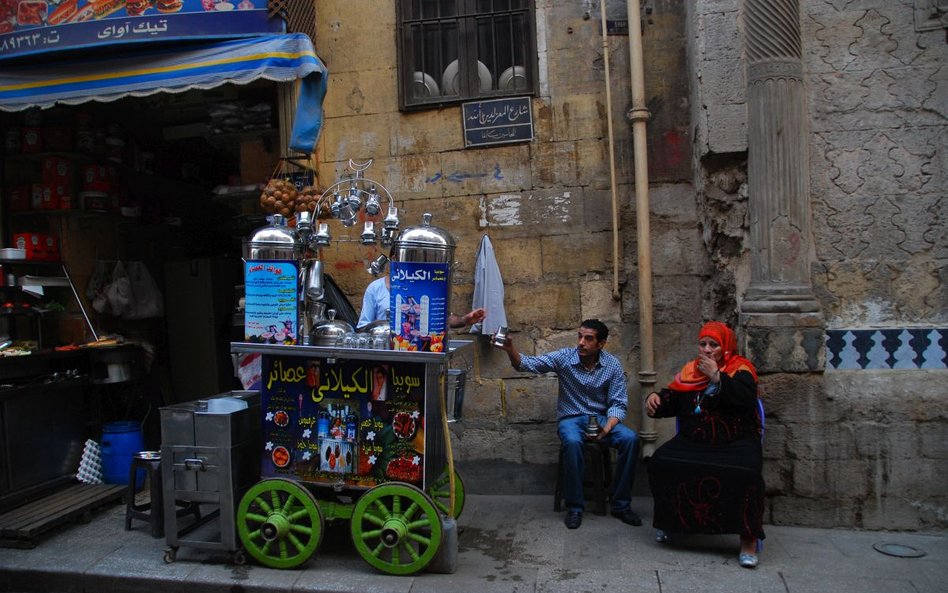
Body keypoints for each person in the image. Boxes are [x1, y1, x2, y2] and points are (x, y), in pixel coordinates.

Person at [499, 319, 641, 530]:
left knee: (630, 439)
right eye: (580, 336)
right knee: (573, 443)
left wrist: (608, 427)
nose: (581, 342)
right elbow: (526, 364)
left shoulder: (612, 365)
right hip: (571, 419)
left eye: (588, 338)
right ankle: (575, 506)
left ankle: (621, 504)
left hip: (600, 419)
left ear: (601, 344)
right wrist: (510, 348)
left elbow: (618, 403)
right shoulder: (565, 357)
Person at [645, 321, 765, 569]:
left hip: (735, 441)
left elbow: (746, 399)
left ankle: (748, 540)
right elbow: (675, 397)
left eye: (714, 345)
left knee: (747, 472)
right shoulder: (691, 371)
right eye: (703, 344)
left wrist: (717, 377)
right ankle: (672, 523)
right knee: (661, 461)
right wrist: (655, 398)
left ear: (726, 347)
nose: (707, 350)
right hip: (694, 440)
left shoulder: (740, 370)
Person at [356, 274, 486, 330]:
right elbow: (362, 327)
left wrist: (465, 320)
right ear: (395, 259)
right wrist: (383, 326)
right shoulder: (375, 288)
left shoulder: (421, 288)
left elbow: (440, 319)